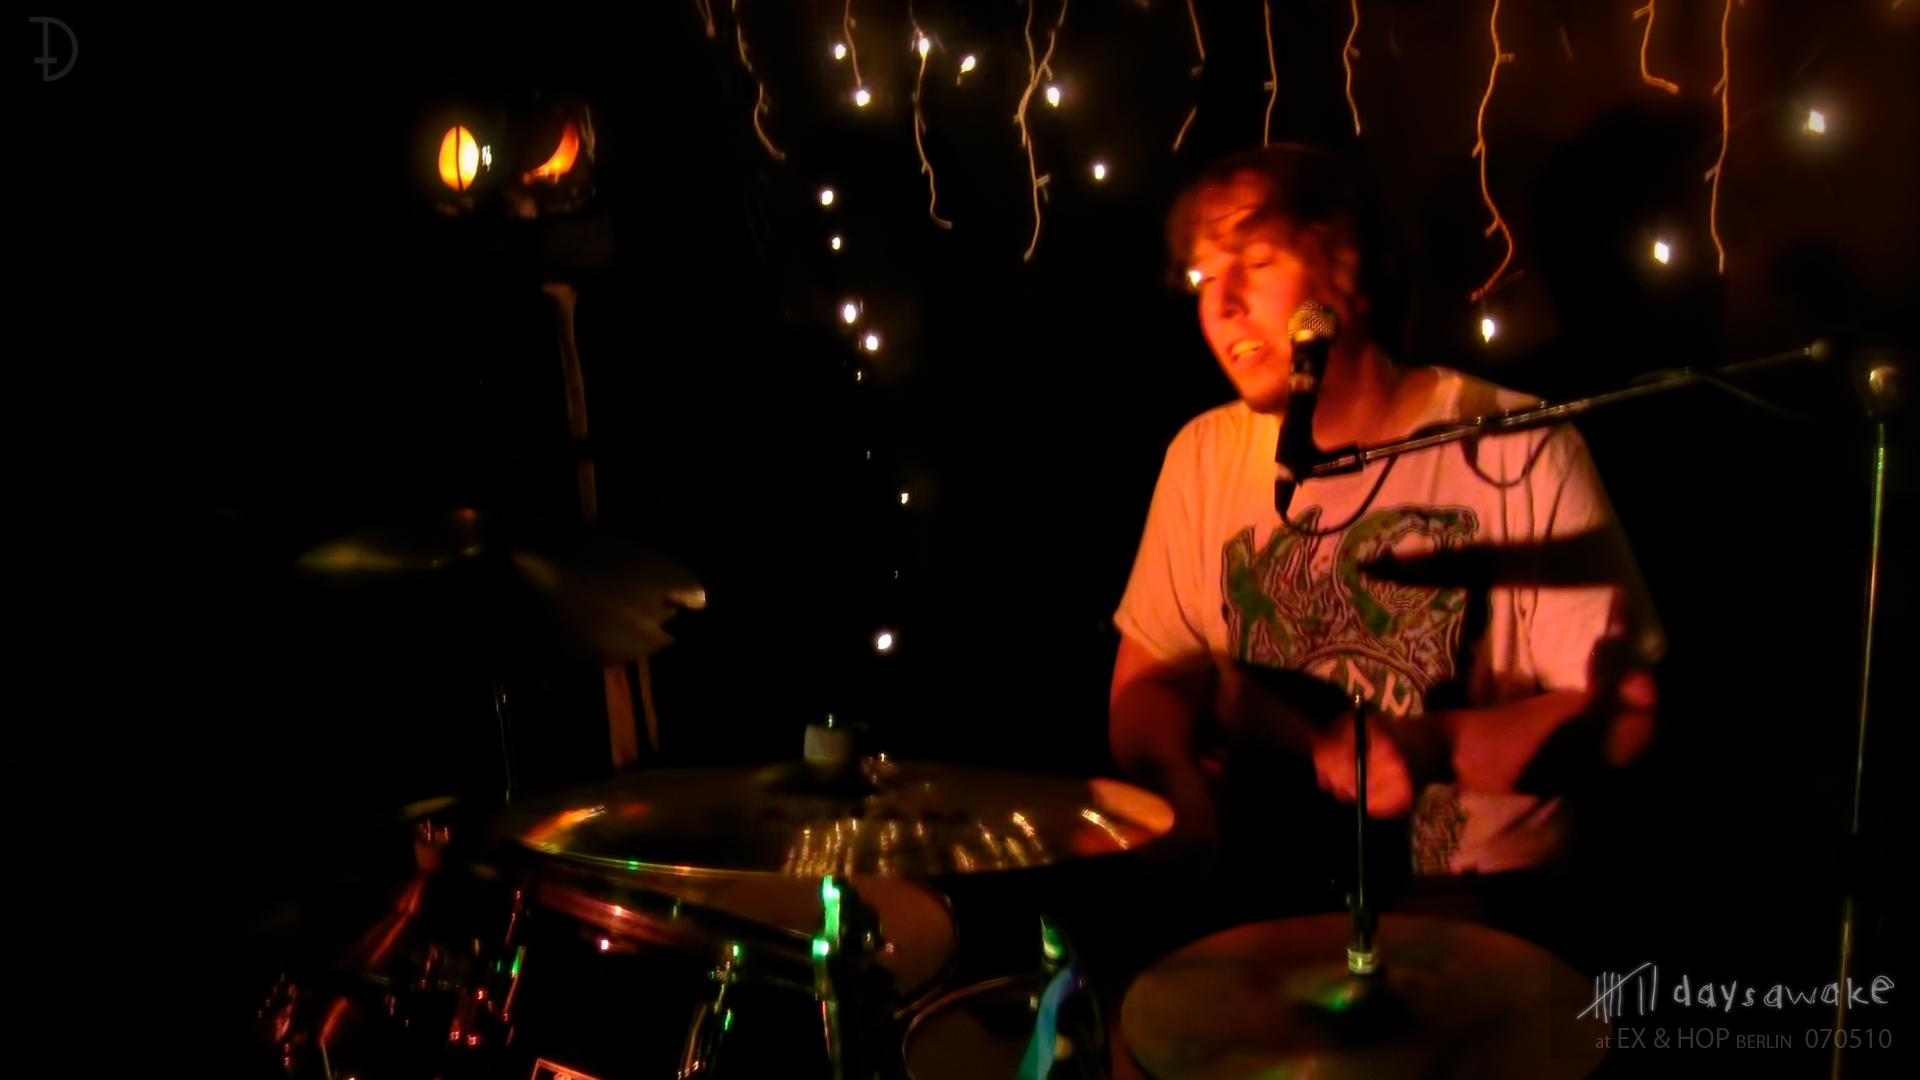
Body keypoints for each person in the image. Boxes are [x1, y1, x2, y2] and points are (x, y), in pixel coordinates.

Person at [1109, 145, 1663, 931]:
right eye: (1204, 276)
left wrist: (1435, 746)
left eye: (1257, 262)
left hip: (1475, 901)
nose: (1222, 303)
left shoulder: (1516, 444)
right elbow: (1148, 683)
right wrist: (1179, 795)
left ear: (1350, 272)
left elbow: (1628, 715)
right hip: (1263, 895)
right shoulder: (1202, 456)